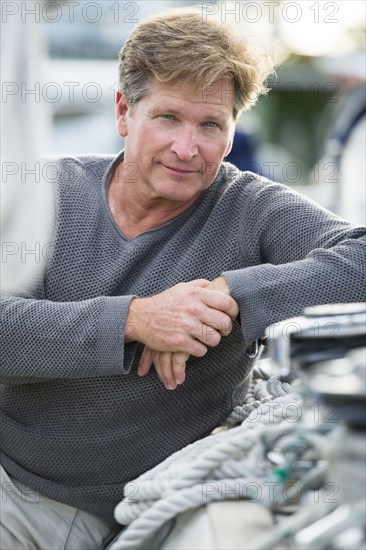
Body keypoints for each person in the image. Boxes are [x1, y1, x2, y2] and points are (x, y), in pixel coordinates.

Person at [1, 6, 365, 549]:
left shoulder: (251, 207)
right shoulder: (46, 192)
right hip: (18, 494)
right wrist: (135, 320)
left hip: (159, 505)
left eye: (211, 125)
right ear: (125, 112)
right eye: (168, 117)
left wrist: (230, 296)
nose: (187, 149)